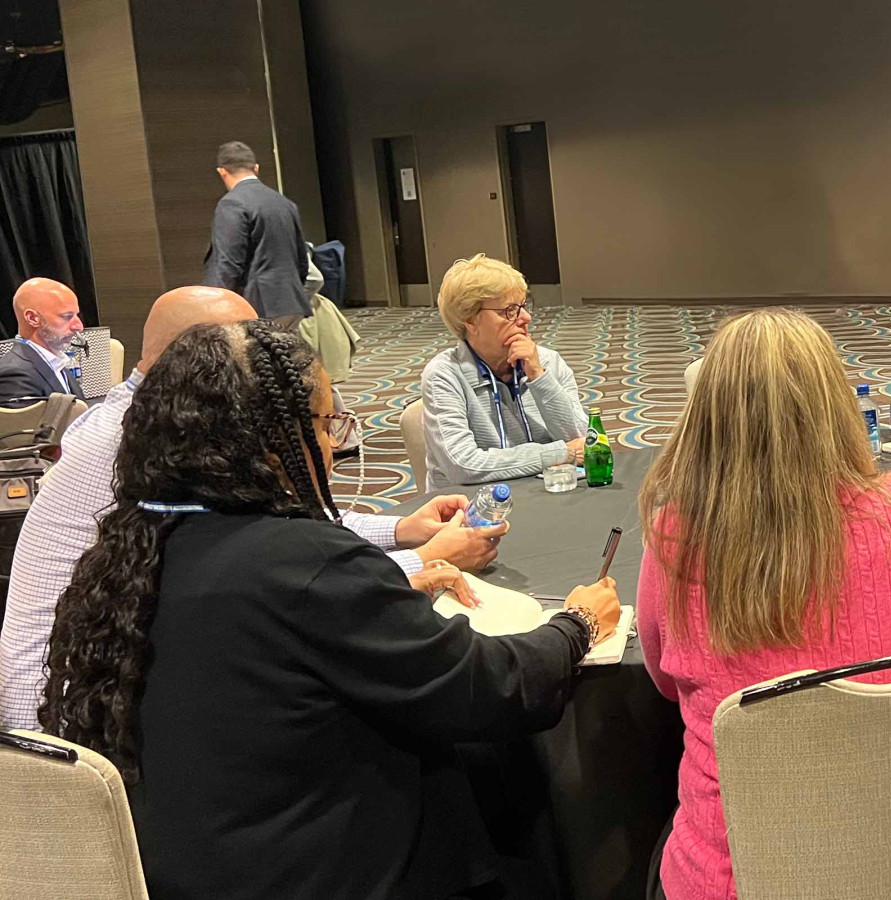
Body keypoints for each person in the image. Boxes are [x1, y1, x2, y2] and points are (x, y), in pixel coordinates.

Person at [37, 320, 621, 899]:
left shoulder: (127, 548)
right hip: (321, 867)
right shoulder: (305, 562)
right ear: (267, 440)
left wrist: (375, 606)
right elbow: (491, 688)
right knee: (507, 800)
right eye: (322, 425)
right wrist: (577, 625)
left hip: (187, 861)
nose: (333, 446)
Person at [636, 308, 891, 900]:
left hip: (739, 880)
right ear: (835, 406)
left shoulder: (676, 534)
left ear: (705, 420)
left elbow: (665, 682)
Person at [0, 287, 505, 731]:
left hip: (117, 666)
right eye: (246, 343)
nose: (262, 357)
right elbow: (270, 577)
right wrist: (422, 560)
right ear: (200, 359)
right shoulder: (139, 439)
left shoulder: (157, 420)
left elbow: (273, 526)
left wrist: (401, 528)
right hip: (74, 710)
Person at [420, 254, 586, 491]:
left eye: (523, 307)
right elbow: (463, 465)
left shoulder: (548, 361)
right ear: (470, 320)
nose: (525, 318)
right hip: (472, 510)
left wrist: (539, 377)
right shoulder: (444, 375)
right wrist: (560, 453)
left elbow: (584, 440)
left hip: (547, 495)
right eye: (509, 311)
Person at [202, 140, 313, 328]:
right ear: (256, 168)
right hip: (292, 303)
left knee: (255, 358)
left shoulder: (232, 204)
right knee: (285, 356)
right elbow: (302, 260)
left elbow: (228, 264)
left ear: (222, 172)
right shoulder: (284, 203)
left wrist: (214, 311)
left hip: (256, 307)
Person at [0, 277, 86, 405]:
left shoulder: (55, 363)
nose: (79, 326)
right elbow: (28, 424)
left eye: (76, 315)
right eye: (66, 317)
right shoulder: (15, 374)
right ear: (33, 318)